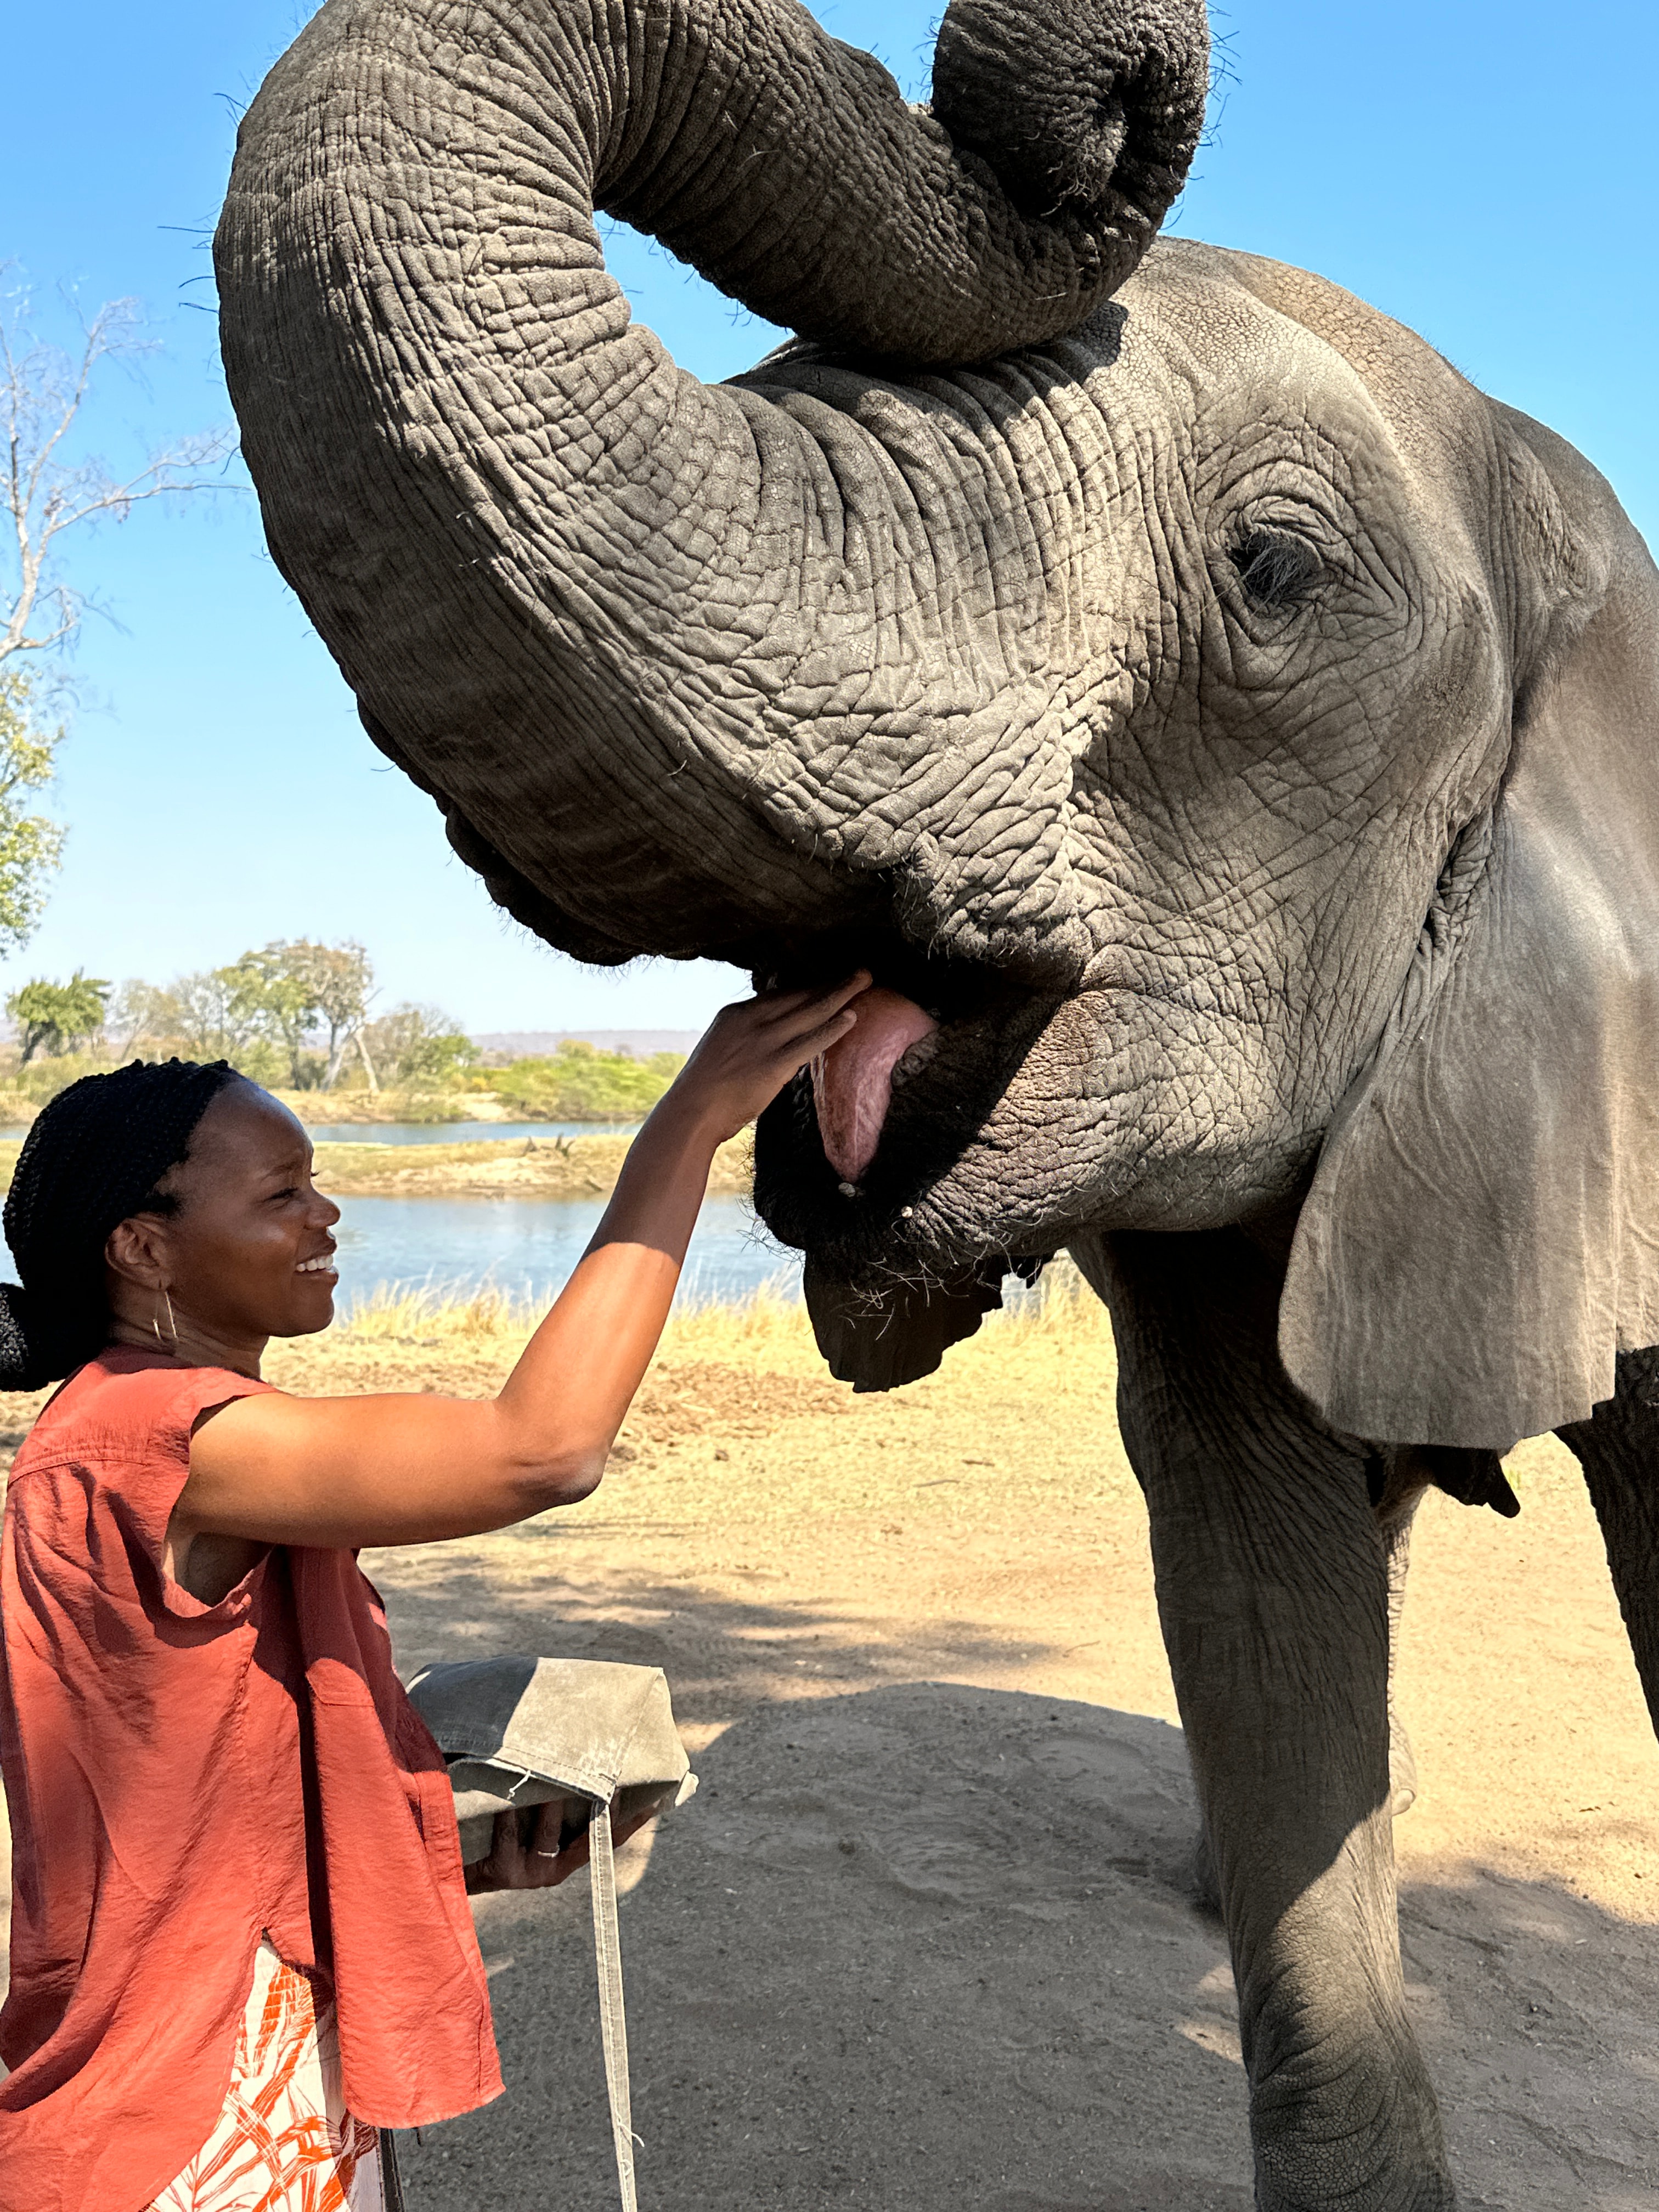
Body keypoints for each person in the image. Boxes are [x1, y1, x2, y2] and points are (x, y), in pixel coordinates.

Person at [0, 976, 865, 2212]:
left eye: (319, 1181)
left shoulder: (180, 1438)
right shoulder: (152, 1435)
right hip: (176, 2108)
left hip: (261, 2058)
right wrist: (685, 1130)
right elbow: (541, 1448)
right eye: (283, 1194)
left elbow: (209, 1788)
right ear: (143, 1247)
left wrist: (452, 1851)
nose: (328, 1214)